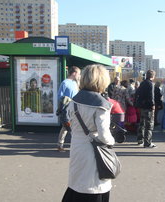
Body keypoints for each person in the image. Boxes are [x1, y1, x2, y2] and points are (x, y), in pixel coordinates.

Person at [62, 64, 114, 202]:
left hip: (77, 148)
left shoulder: (74, 101)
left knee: (77, 184)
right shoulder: (101, 105)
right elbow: (104, 135)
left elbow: (72, 126)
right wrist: (112, 141)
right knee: (93, 187)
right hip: (94, 153)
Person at [57, 66, 81, 152]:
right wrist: (67, 99)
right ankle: (61, 145)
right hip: (66, 110)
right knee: (68, 128)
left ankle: (61, 145)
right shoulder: (65, 83)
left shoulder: (75, 83)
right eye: (78, 73)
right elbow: (59, 96)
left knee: (68, 128)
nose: (79, 76)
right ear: (74, 73)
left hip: (75, 109)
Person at [135, 70, 157, 148]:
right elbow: (151, 96)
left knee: (142, 124)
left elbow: (137, 93)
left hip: (142, 106)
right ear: (153, 76)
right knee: (149, 125)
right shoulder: (151, 84)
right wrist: (153, 105)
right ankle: (147, 143)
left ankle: (140, 139)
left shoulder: (142, 83)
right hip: (148, 107)